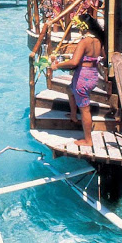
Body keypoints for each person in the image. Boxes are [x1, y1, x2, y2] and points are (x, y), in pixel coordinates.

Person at [50, 13, 106, 146]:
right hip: (92, 75)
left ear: (83, 27)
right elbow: (102, 56)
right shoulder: (98, 40)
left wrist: (57, 66)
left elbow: (74, 62)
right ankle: (74, 116)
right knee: (70, 89)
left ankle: (88, 140)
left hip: (83, 78)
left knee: (85, 109)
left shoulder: (84, 42)